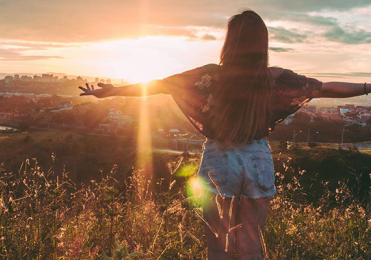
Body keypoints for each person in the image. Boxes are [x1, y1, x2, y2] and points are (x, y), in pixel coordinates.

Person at [79, 9, 369, 260]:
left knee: (218, 247)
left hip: (219, 157)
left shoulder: (210, 76)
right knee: (252, 246)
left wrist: (114, 91)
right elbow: (325, 87)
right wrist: (368, 87)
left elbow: (160, 84)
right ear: (262, 43)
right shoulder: (274, 78)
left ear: (230, 43)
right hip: (257, 158)